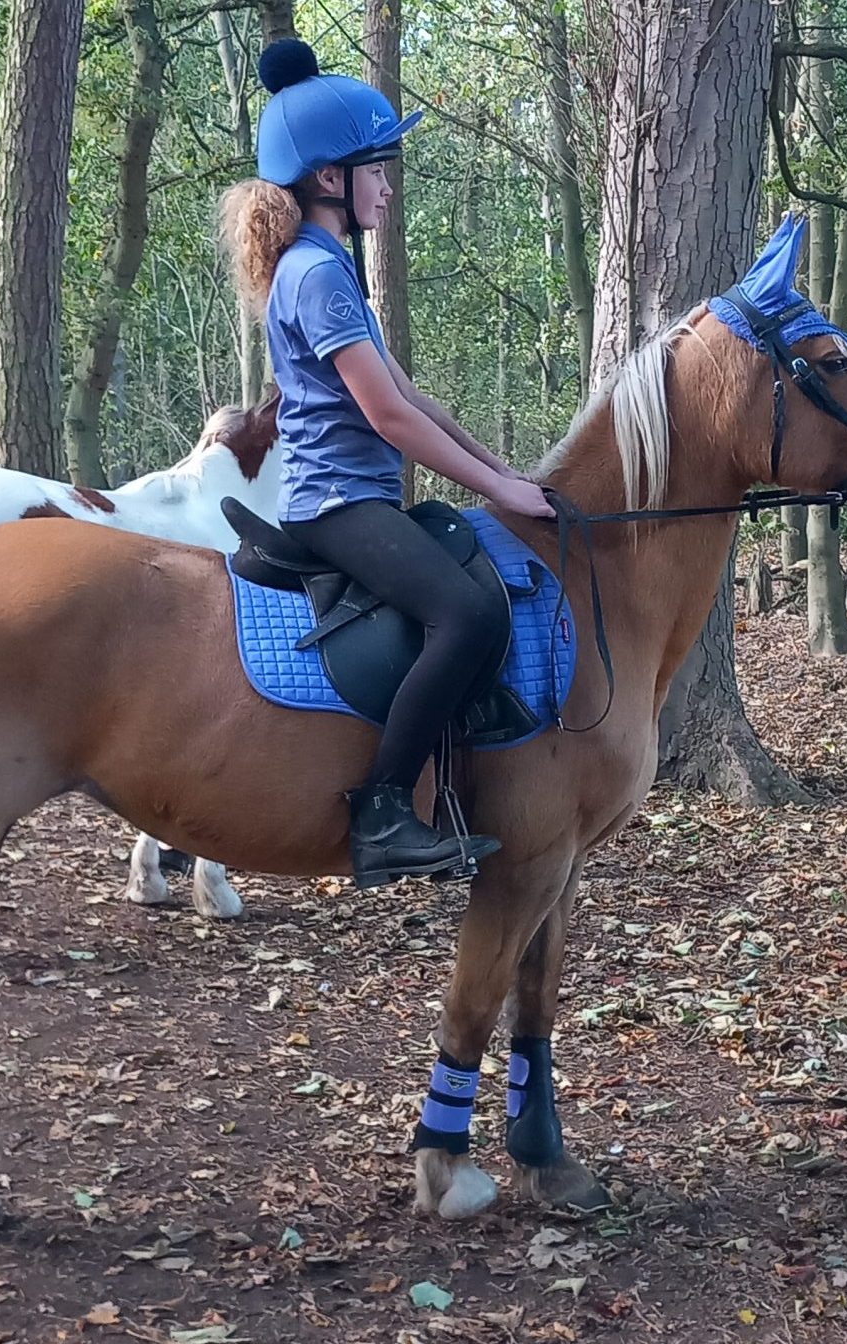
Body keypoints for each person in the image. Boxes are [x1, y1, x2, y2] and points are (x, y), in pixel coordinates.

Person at [217, 38, 553, 890]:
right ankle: (384, 815)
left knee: (474, 597)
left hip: (357, 494)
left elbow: (419, 400)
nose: (389, 185)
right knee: (467, 617)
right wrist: (498, 488)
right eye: (379, 167)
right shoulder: (315, 276)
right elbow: (388, 415)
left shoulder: (328, 268)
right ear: (331, 177)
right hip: (335, 503)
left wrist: (509, 477)